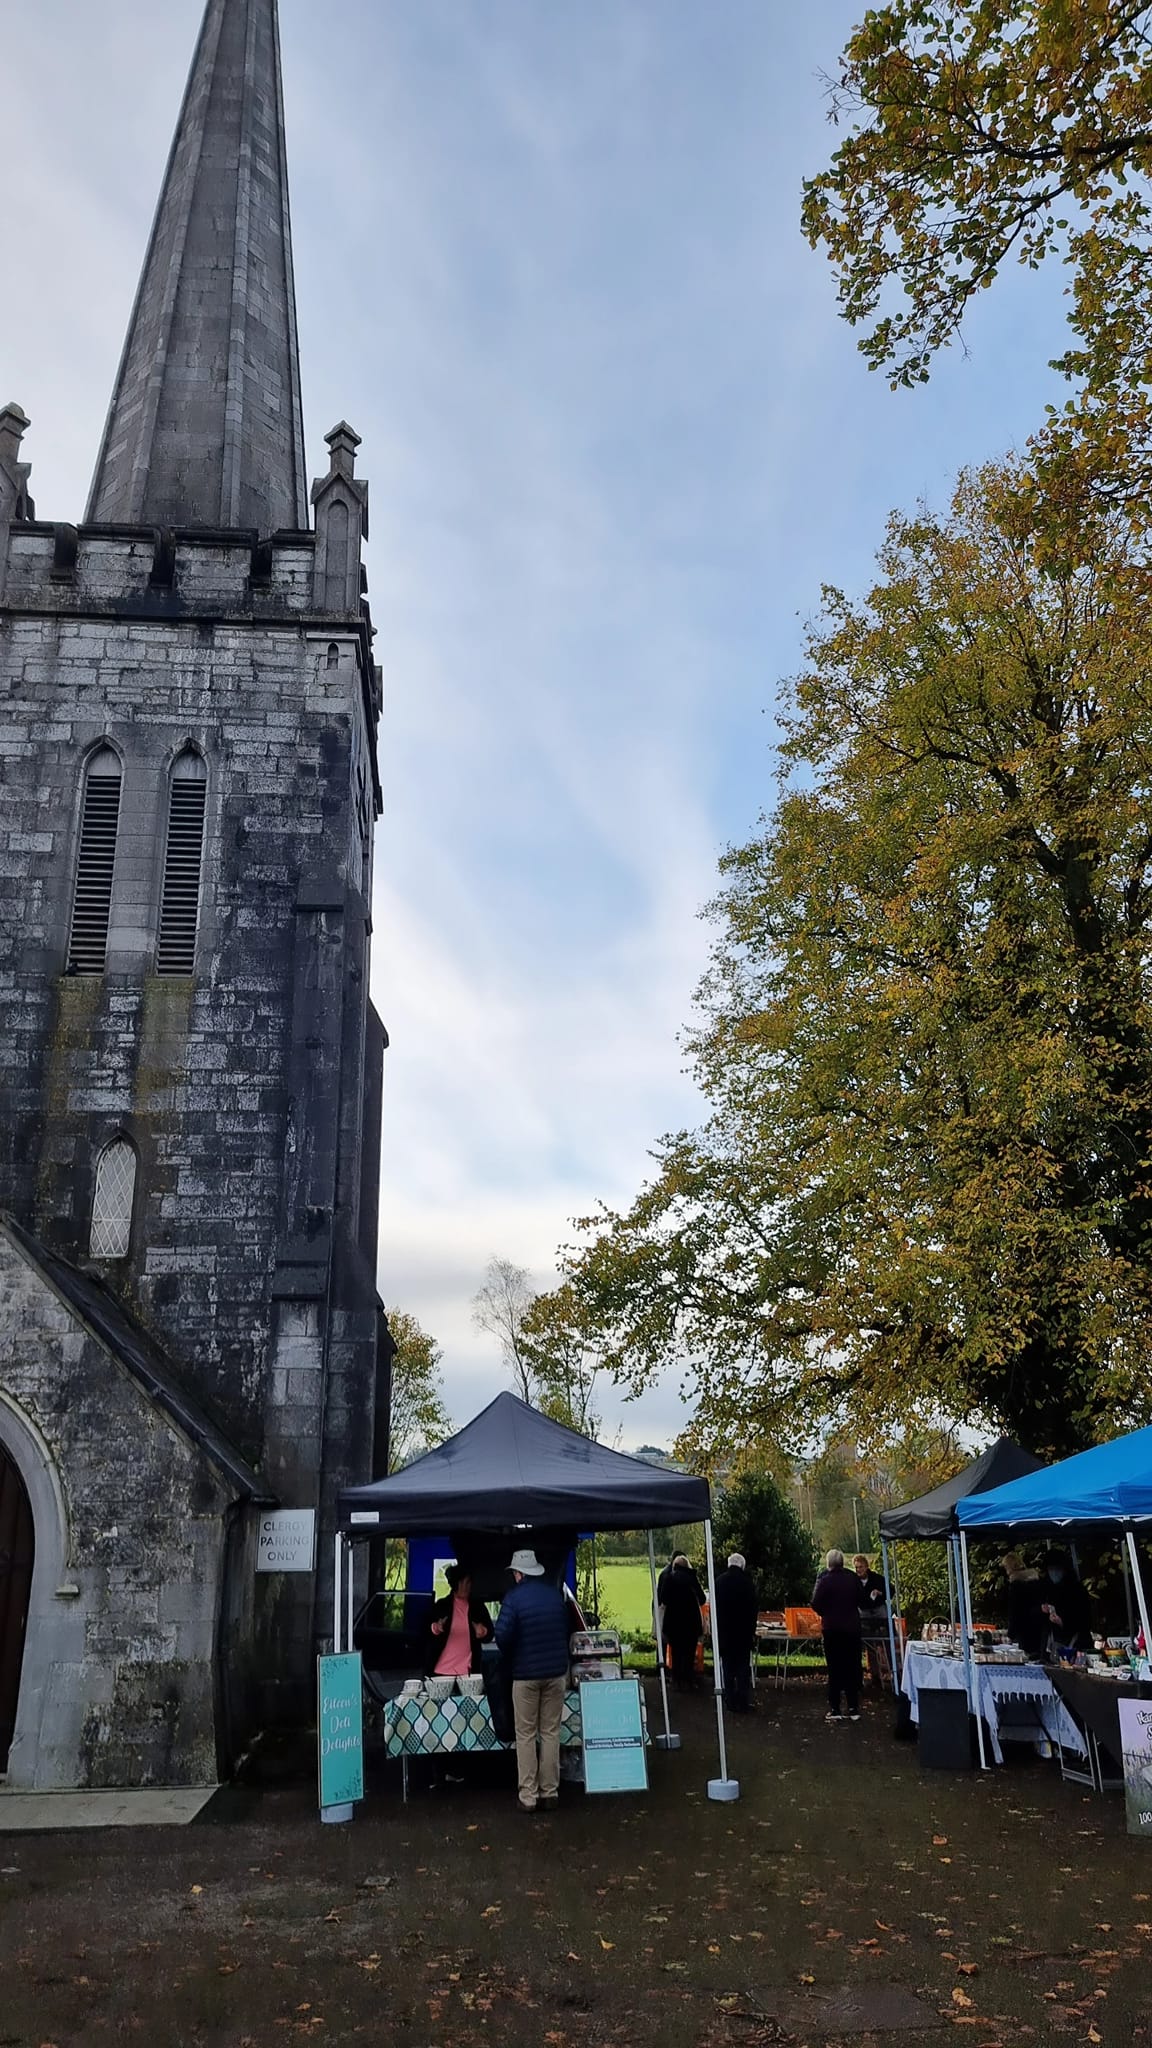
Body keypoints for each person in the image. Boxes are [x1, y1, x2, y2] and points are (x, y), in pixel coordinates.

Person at [494, 1548, 574, 1814]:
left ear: (518, 1574)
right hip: (556, 1673)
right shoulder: (554, 1595)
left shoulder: (513, 1599)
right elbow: (565, 1629)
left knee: (526, 1734)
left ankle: (528, 1796)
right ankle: (550, 1792)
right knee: (551, 1732)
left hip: (526, 1676)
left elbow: (502, 1636)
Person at [811, 1547, 863, 1723]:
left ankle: (835, 1708)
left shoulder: (824, 1580)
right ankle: (853, 1707)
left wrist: (827, 1612)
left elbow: (815, 1603)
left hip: (832, 1629)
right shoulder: (852, 1578)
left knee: (834, 1669)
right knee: (852, 1667)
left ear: (828, 1563)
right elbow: (862, 1599)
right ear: (842, 1562)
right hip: (852, 1628)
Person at [425, 1564, 493, 1678]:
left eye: (468, 1583)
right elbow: (425, 1631)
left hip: (469, 1674)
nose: (465, 1587)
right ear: (454, 1584)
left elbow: (490, 1634)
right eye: (461, 1583)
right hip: (441, 1671)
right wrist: (435, 1628)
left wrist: (483, 1632)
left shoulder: (478, 1607)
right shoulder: (442, 1605)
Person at [714, 1552, 759, 1712]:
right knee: (742, 1668)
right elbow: (754, 1609)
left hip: (725, 1632)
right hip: (743, 1633)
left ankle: (729, 1699)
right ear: (742, 1565)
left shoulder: (719, 1582)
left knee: (727, 1666)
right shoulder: (748, 1583)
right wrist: (752, 1630)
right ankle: (743, 1700)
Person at [659, 1555, 704, 1691]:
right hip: (691, 1622)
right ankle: (689, 1680)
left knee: (676, 1653)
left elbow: (663, 1599)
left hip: (673, 1621)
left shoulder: (669, 1578)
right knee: (689, 1653)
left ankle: (677, 1681)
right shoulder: (692, 1578)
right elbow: (702, 1598)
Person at [1037, 1551, 1092, 1654]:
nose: (1053, 1572)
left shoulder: (1077, 1590)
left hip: (1076, 1646)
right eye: (1050, 1569)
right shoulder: (1045, 1588)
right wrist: (1041, 1610)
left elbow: (1085, 1620)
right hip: (1051, 1646)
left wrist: (1063, 1622)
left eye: (1057, 1569)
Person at [853, 1552, 888, 1689]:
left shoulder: (877, 1579)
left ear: (867, 1567)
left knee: (884, 1642)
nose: (859, 1570)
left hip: (878, 1610)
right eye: (856, 1568)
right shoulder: (854, 1581)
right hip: (864, 1612)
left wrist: (881, 1594)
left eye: (861, 1567)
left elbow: (890, 1590)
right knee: (868, 1643)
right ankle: (873, 1674)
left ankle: (890, 1672)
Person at [1000, 1552, 1043, 1657]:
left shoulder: (1016, 1585)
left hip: (1023, 1631)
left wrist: (1011, 1633)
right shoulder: (1036, 1581)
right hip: (1039, 1628)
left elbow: (1014, 1611)